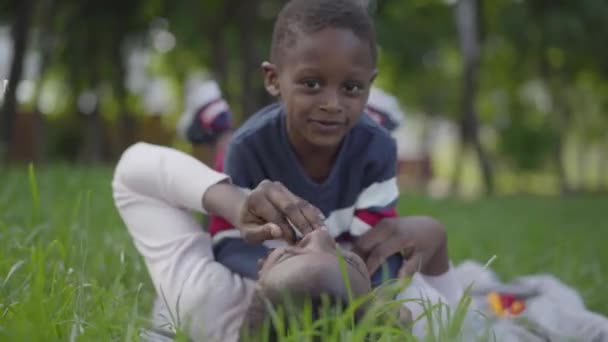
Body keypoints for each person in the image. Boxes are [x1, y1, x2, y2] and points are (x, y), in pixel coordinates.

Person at [112, 142, 458, 341]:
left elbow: (134, 172)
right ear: (373, 301)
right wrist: (436, 238)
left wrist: (232, 203)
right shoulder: (409, 316)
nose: (320, 234)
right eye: (346, 259)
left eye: (292, 253)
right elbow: (454, 307)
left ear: (261, 272)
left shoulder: (209, 302)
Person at [207, 0, 412, 287]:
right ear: (274, 79)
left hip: (345, 268)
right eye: (312, 84)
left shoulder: (377, 151)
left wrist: (363, 297)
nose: (332, 104)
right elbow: (230, 242)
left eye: (351, 87)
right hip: (269, 269)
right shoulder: (247, 149)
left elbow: (376, 244)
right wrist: (284, 276)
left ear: (370, 84)